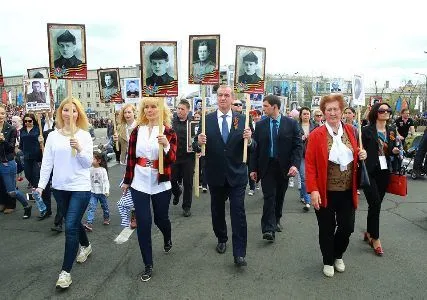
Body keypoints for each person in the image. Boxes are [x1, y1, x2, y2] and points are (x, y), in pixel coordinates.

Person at [305, 93, 367, 278]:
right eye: (328, 109)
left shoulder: (351, 131)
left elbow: (354, 154)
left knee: (347, 227)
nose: (332, 113)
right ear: (324, 113)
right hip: (325, 191)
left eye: (336, 109)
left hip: (347, 191)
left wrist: (361, 154)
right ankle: (327, 260)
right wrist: (313, 189)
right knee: (326, 228)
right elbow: (309, 164)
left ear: (341, 111)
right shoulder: (316, 135)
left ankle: (338, 254)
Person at [36, 98, 93, 289]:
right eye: (66, 110)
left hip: (80, 187)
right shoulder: (52, 136)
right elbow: (47, 163)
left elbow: (87, 163)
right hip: (59, 188)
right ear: (60, 113)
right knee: (74, 222)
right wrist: (41, 185)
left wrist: (80, 148)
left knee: (70, 227)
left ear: (79, 114)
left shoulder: (84, 135)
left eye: (74, 110)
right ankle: (85, 246)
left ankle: (65, 273)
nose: (69, 114)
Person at [195, 85, 253, 267]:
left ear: (232, 98)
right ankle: (221, 236)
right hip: (215, 173)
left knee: (238, 212)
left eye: (226, 95)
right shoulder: (206, 120)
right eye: (220, 95)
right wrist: (198, 142)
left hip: (237, 174)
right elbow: (197, 146)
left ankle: (239, 253)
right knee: (217, 210)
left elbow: (253, 146)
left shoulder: (243, 119)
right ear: (216, 97)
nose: (223, 98)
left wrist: (250, 140)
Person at [121, 97, 177, 282]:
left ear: (161, 110)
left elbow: (173, 159)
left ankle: (167, 237)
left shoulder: (168, 131)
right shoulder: (137, 131)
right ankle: (148, 264)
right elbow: (130, 158)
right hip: (139, 181)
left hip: (160, 182)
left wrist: (166, 145)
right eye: (147, 107)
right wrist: (127, 181)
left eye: (154, 107)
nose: (150, 110)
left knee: (161, 219)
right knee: (143, 223)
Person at [249, 95, 302, 242]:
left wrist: (295, 165)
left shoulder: (291, 124)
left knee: (279, 196)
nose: (263, 108)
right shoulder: (260, 125)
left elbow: (297, 147)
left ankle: (277, 218)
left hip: (284, 167)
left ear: (275, 107)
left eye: (265, 106)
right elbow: (255, 149)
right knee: (269, 197)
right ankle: (268, 229)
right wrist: (253, 169)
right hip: (267, 166)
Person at [362, 103, 401, 257]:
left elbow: (390, 147)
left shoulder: (391, 130)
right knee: (376, 203)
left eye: (388, 111)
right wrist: (361, 152)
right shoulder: (366, 131)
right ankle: (376, 239)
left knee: (375, 205)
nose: (385, 113)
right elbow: (360, 149)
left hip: (384, 172)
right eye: (382, 110)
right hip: (369, 171)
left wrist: (394, 150)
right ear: (375, 113)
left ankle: (369, 233)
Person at [0, 104, 32, 218]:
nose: (1, 116)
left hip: (7, 163)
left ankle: (26, 206)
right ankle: (3, 203)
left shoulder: (11, 128)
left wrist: (3, 140)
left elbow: (11, 148)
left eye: (3, 113)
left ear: (5, 115)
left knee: (11, 190)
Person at [19, 113, 49, 218]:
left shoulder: (38, 129)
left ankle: (44, 208)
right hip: (26, 157)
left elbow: (45, 145)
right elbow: (21, 145)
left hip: (37, 158)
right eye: (25, 121)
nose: (27, 123)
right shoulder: (22, 131)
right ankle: (39, 196)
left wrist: (42, 140)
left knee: (37, 183)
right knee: (28, 177)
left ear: (33, 121)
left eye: (30, 121)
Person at [171, 99, 195, 217]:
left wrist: (199, 150)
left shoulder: (193, 123)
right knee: (171, 180)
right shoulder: (171, 122)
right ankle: (176, 192)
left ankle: (186, 206)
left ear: (188, 110)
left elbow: (197, 139)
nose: (179, 111)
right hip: (174, 157)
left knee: (188, 183)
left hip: (188, 158)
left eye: (182, 109)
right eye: (178, 108)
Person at [298, 106, 318, 211]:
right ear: (300, 115)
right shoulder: (296, 126)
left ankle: (302, 194)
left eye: (308, 113)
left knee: (307, 178)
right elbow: (293, 140)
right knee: (303, 177)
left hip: (312, 154)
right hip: (300, 155)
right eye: (304, 114)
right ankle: (307, 200)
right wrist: (301, 138)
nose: (306, 115)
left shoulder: (315, 126)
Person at [84, 151, 110, 231]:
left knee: (105, 206)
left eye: (93, 158)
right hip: (92, 192)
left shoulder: (103, 170)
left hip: (102, 192)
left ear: (99, 161)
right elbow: (87, 180)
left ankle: (106, 218)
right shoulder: (89, 169)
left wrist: (106, 190)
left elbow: (106, 181)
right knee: (91, 207)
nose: (91, 160)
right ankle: (89, 223)